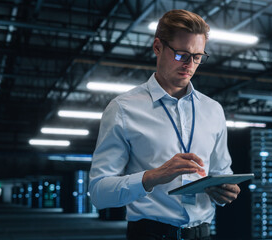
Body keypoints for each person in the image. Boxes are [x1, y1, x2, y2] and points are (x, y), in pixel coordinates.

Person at [89, 9, 241, 240]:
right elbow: (99, 193)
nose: (190, 64)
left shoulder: (213, 110)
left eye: (198, 56)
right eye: (181, 54)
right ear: (157, 47)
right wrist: (154, 176)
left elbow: (222, 172)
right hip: (150, 234)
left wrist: (225, 190)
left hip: (203, 235)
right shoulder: (123, 109)